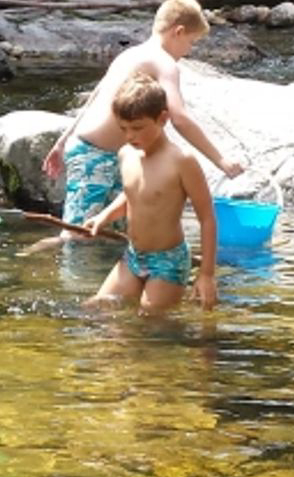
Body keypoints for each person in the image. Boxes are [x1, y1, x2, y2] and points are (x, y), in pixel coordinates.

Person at [32, 0, 243, 253]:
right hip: (94, 155)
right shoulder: (164, 63)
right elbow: (179, 118)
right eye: (191, 42)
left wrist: (62, 141)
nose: (189, 50)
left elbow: (96, 96)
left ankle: (105, 285)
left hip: (104, 152)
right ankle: (36, 258)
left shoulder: (131, 54)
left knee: (113, 233)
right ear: (178, 32)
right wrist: (220, 160)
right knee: (78, 234)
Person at [84, 72, 217, 313]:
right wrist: (104, 216)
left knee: (149, 321)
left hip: (168, 261)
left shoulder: (181, 161)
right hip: (134, 256)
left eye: (137, 128)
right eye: (123, 128)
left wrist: (206, 275)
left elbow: (207, 218)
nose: (130, 136)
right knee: (96, 309)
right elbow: (133, 194)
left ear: (162, 118)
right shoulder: (126, 153)